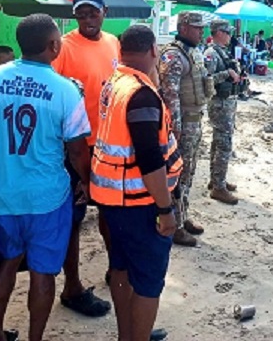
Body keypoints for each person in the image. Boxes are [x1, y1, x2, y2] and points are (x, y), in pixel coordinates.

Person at [0, 13, 92, 341]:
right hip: (47, 199)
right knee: (43, 273)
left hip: (1, 195)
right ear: (54, 45)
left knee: (6, 263)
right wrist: (86, 181)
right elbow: (78, 150)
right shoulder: (66, 91)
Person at [91, 25, 182, 341]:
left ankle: (127, 334)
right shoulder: (141, 95)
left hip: (112, 198)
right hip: (139, 202)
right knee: (148, 281)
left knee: (121, 268)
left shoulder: (114, 83)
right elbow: (149, 158)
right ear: (153, 51)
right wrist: (166, 209)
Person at [50, 0, 115, 318]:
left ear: (105, 12)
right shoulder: (64, 48)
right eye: (82, 14)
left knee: (110, 213)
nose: (88, 19)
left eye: (93, 12)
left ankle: (114, 269)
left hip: (110, 146)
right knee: (73, 219)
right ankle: (72, 287)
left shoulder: (113, 43)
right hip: (75, 148)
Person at [158, 11, 213, 246]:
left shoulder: (193, 53)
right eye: (197, 28)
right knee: (177, 175)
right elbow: (171, 97)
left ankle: (183, 214)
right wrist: (176, 130)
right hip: (183, 125)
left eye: (202, 28)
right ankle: (175, 226)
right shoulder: (173, 56)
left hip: (195, 120)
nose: (202, 32)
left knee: (188, 173)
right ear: (183, 28)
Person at [203, 20, 241, 205]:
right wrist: (227, 74)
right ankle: (218, 187)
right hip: (219, 103)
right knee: (223, 144)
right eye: (226, 32)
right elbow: (206, 80)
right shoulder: (211, 53)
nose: (229, 36)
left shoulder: (223, 51)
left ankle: (217, 179)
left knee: (220, 142)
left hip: (227, 103)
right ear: (218, 32)